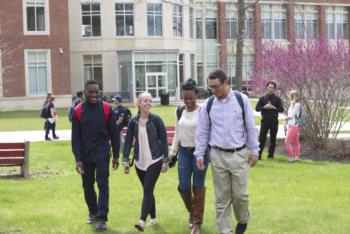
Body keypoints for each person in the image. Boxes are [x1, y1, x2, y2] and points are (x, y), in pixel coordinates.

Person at [194, 69, 259, 234]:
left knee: (240, 196)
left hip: (239, 155)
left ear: (225, 83)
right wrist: (200, 154)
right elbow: (202, 132)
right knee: (222, 199)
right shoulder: (208, 104)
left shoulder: (241, 100)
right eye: (210, 88)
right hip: (217, 156)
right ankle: (226, 231)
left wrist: (255, 151)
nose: (213, 90)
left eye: (216, 87)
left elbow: (250, 127)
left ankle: (243, 220)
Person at [71, 80, 120, 231]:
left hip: (103, 153)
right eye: (90, 92)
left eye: (96, 92)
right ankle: (93, 211)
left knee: (103, 184)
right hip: (85, 155)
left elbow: (114, 134)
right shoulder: (78, 111)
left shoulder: (106, 109)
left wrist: (116, 156)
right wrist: (78, 159)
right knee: (87, 185)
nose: (94, 95)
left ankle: (102, 218)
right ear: (84, 92)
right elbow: (76, 138)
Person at [122, 92, 169, 232]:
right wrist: (125, 160)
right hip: (139, 161)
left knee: (148, 189)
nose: (148, 103)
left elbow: (165, 140)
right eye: (145, 101)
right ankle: (153, 218)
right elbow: (128, 142)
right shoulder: (133, 122)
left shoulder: (156, 120)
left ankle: (142, 220)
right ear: (139, 103)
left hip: (155, 159)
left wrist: (165, 160)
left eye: (150, 101)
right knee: (148, 190)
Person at [169, 79, 209, 234]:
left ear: (197, 96)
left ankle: (197, 223)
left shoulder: (203, 111)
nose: (188, 101)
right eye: (185, 98)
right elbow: (178, 134)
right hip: (184, 152)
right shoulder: (179, 111)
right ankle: (193, 212)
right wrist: (172, 153)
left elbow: (207, 133)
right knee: (184, 185)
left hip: (200, 153)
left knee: (198, 186)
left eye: (191, 98)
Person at [255, 81, 284, 160]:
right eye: (269, 87)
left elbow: (281, 109)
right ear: (267, 88)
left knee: (273, 139)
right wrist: (265, 107)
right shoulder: (262, 98)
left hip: (274, 121)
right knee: (261, 138)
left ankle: (270, 156)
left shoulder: (277, 99)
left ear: (275, 89)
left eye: (272, 88)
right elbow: (257, 108)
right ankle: (259, 155)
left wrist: (273, 107)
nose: (271, 89)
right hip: (264, 121)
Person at [284, 90, 301, 162]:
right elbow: (290, 116)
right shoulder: (292, 104)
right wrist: (286, 122)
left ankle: (291, 157)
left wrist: (285, 117)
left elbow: (291, 115)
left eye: (290, 95)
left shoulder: (297, 105)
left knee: (287, 142)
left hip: (294, 126)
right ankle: (296, 157)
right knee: (296, 142)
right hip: (290, 125)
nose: (288, 97)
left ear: (293, 96)